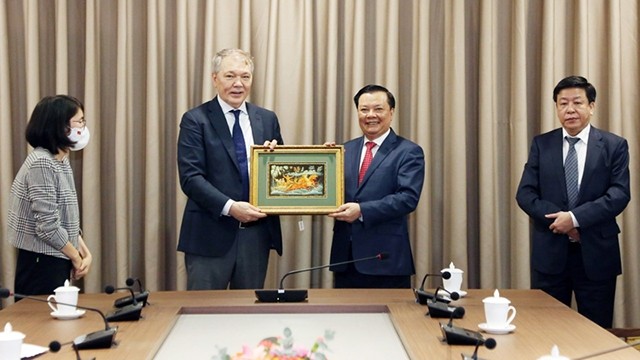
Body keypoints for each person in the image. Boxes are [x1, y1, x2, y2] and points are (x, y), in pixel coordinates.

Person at [516, 76, 631, 328]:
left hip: (597, 254)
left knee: (596, 330)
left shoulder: (614, 146)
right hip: (550, 253)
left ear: (591, 106)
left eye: (577, 102)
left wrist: (576, 218)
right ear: (556, 108)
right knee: (546, 330)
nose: (570, 109)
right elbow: (525, 193)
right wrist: (562, 220)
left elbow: (619, 194)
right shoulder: (542, 144)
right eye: (562, 103)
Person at [177, 48, 283, 290]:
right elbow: (191, 178)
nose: (238, 84)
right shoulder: (196, 119)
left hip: (255, 237)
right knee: (204, 315)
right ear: (215, 78)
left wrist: (280, 160)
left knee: (248, 316)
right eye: (230, 76)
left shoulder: (267, 119)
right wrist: (231, 208)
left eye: (245, 77)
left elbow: (281, 176)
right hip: (209, 235)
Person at [327, 84, 425, 288]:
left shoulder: (408, 151)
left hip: (386, 260)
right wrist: (324, 162)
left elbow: (407, 198)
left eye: (378, 109)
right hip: (346, 259)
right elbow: (327, 192)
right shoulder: (344, 150)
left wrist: (362, 210)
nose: (370, 115)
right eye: (364, 110)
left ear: (391, 112)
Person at [7, 95, 93, 296]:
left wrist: (84, 252)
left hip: (57, 255)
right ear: (60, 126)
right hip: (42, 262)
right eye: (79, 121)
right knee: (39, 324)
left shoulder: (60, 160)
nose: (83, 127)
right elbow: (47, 226)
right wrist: (76, 258)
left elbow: (65, 217)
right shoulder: (42, 163)